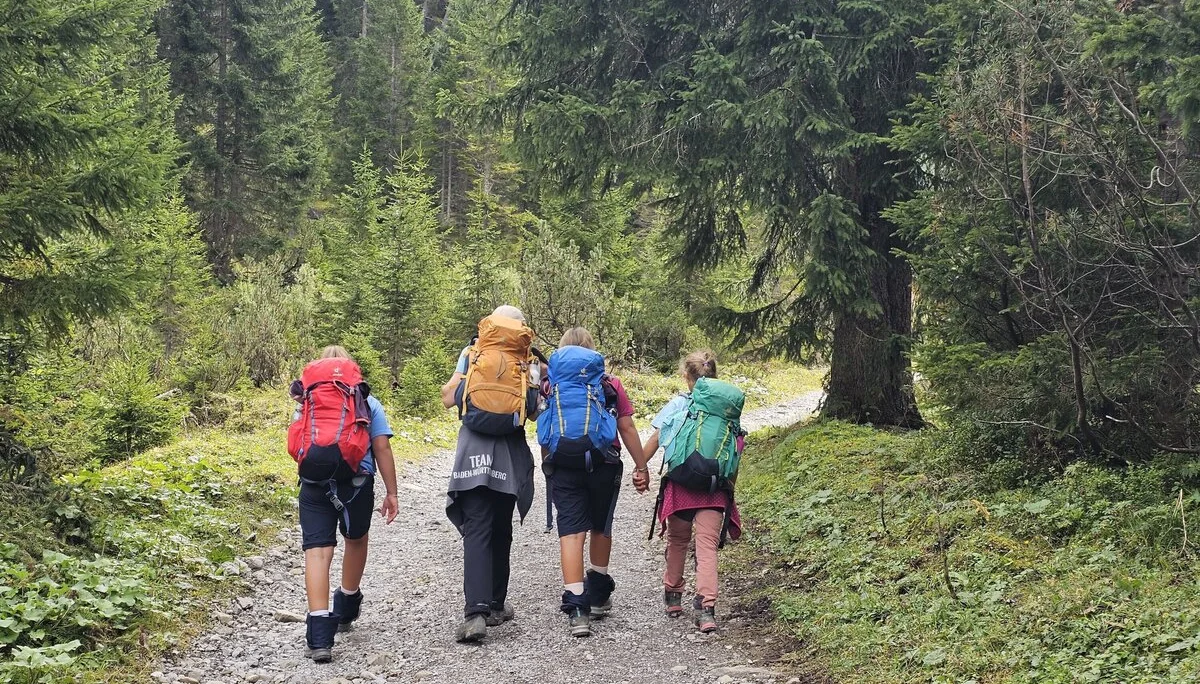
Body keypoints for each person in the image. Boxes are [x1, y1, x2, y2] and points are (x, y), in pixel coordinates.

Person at [293, 346, 399, 663]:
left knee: (317, 551)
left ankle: (320, 638)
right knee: (355, 540)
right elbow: (381, 449)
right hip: (356, 485)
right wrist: (392, 493)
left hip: (314, 485)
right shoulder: (368, 402)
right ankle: (347, 606)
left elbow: (301, 443)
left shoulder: (306, 402)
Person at [441, 305, 540, 643]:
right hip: (509, 456)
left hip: (472, 453)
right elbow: (536, 410)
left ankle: (475, 614)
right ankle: (496, 605)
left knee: (477, 530)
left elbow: (447, 398)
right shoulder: (528, 359)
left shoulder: (473, 352)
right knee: (501, 528)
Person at [542, 327, 647, 637]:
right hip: (604, 461)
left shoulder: (551, 385)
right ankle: (599, 595)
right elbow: (626, 427)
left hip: (563, 464)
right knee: (601, 525)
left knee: (572, 533)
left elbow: (545, 428)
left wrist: (550, 462)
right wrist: (641, 466)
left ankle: (577, 608)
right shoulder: (609, 383)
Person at [641, 350, 742, 633]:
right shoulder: (726, 409)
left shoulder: (680, 403)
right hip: (714, 487)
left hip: (682, 483)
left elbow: (657, 438)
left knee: (677, 540)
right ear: (715, 376)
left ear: (686, 376)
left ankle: (673, 595)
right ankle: (706, 609)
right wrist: (729, 485)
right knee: (707, 547)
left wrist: (640, 467)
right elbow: (736, 449)